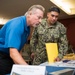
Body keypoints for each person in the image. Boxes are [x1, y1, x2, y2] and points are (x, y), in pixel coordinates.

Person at [0, 5, 45, 75]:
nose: (40, 21)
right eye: (38, 17)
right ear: (30, 14)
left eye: (41, 18)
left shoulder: (28, 28)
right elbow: (13, 52)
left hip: (9, 55)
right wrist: (28, 70)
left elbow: (18, 49)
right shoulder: (17, 25)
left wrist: (21, 67)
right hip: (2, 55)